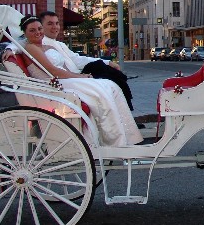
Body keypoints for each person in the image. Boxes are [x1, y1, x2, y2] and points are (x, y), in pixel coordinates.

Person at [19, 16, 143, 147]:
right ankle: (114, 140)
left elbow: (67, 65)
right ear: (25, 33)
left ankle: (127, 135)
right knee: (100, 91)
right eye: (32, 30)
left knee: (110, 85)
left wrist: (80, 75)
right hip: (55, 83)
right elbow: (53, 71)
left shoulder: (49, 46)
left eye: (39, 29)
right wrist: (80, 77)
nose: (38, 32)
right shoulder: (31, 48)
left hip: (66, 78)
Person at [37, 10, 135, 111]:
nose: (55, 27)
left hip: (78, 74)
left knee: (110, 72)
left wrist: (108, 62)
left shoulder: (60, 44)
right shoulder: (40, 44)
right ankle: (125, 110)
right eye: (50, 24)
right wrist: (79, 76)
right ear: (41, 26)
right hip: (70, 78)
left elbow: (77, 59)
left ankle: (126, 110)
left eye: (57, 23)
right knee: (113, 79)